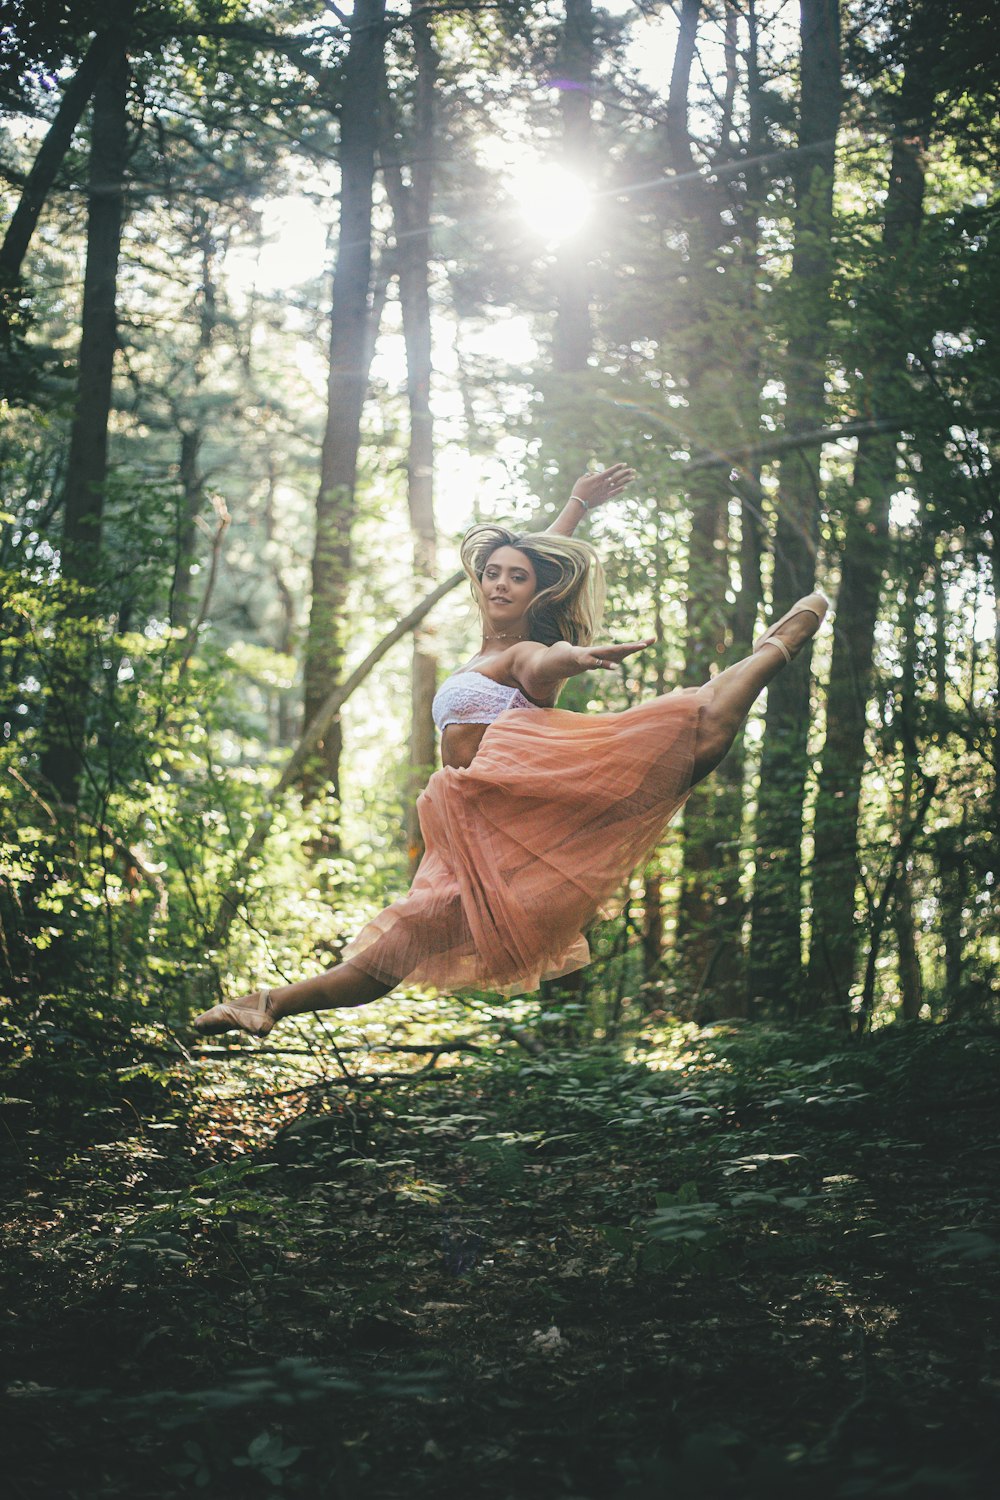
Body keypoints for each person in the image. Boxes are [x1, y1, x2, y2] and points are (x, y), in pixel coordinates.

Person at [194, 463, 828, 1038]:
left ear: (537, 595)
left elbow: (546, 658)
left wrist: (577, 658)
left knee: (702, 730)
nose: (500, 583)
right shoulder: (485, 646)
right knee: (400, 947)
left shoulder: (524, 656)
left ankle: (777, 647)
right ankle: (268, 1004)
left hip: (510, 802)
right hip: (464, 830)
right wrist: (575, 505)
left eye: (516, 579)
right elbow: (524, 563)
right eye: (491, 573)